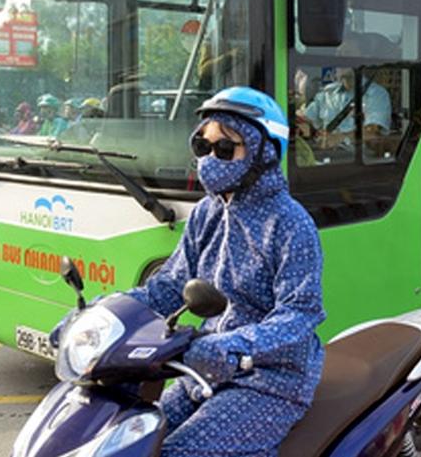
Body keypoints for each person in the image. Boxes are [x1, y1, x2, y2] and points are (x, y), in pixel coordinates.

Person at [84, 87, 324, 457]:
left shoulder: (291, 224)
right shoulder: (205, 213)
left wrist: (234, 346)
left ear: (264, 153)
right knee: (134, 442)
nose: (211, 158)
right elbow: (168, 288)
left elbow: (300, 314)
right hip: (204, 368)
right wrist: (99, 317)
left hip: (271, 379)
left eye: (225, 149)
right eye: (203, 147)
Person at [296, 67, 391, 151]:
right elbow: (306, 120)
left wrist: (341, 138)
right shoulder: (328, 93)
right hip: (326, 157)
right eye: (338, 56)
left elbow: (372, 135)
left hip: (359, 160)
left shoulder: (376, 94)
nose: (341, 61)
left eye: (346, 53)